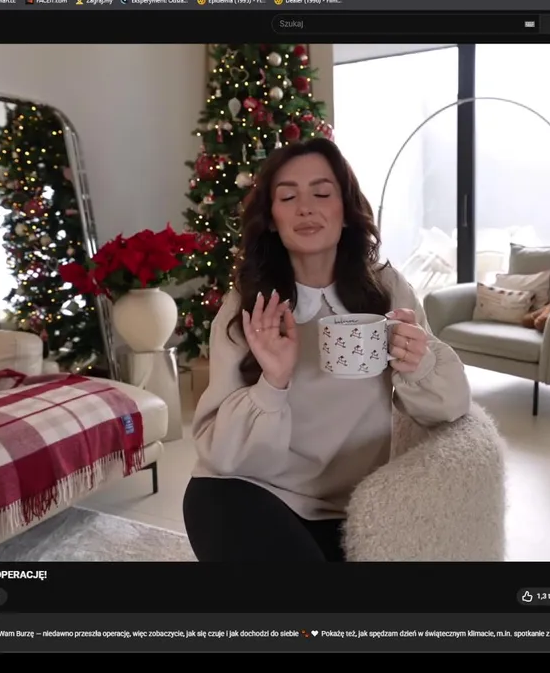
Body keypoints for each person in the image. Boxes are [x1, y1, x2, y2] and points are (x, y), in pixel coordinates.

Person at [182, 138, 472, 563]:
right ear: (272, 219)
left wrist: (419, 362)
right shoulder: (249, 306)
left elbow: (451, 407)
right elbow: (220, 453)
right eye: (288, 197)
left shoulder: (387, 290)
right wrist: (273, 381)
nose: (306, 208)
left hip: (345, 510)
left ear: (346, 210)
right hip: (245, 491)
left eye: (321, 193)